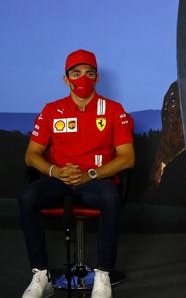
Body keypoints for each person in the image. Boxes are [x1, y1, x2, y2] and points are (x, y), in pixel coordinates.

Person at [18, 49, 135, 298]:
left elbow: (128, 158)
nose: (83, 79)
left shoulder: (114, 110)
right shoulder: (51, 110)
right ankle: (41, 275)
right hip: (58, 180)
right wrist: (55, 171)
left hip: (95, 181)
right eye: (76, 73)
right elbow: (31, 155)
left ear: (97, 78)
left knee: (111, 197)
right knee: (28, 197)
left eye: (89, 73)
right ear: (66, 79)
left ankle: (102, 274)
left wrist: (91, 173)